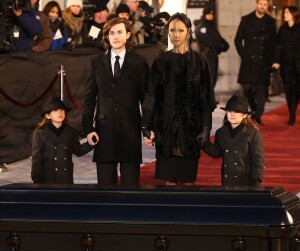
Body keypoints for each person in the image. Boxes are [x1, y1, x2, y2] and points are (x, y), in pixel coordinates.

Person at [142, 12, 216, 186]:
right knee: (169, 182)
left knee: (188, 181)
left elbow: (207, 99)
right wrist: (146, 126)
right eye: (172, 30)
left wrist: (206, 129)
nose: (176, 34)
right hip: (165, 129)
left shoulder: (199, 62)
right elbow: (151, 94)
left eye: (180, 30)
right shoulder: (161, 60)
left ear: (188, 32)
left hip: (191, 131)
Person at [82, 17, 149, 186]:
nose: (116, 36)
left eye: (120, 32)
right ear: (106, 36)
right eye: (112, 33)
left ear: (128, 35)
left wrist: (147, 128)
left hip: (130, 130)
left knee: (131, 188)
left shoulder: (139, 63)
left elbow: (146, 99)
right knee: (105, 189)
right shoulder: (96, 62)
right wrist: (88, 129)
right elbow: (90, 98)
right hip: (104, 132)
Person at [202, 95, 264, 186]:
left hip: (246, 182)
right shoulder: (221, 132)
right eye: (230, 111)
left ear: (245, 115)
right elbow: (217, 152)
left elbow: (258, 160)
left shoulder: (253, 133)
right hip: (227, 181)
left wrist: (256, 182)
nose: (232, 114)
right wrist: (204, 143)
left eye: (237, 111)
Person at [31, 97, 93, 184]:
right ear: (47, 115)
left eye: (62, 110)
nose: (60, 112)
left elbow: (78, 150)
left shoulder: (71, 131)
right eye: (55, 110)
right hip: (48, 180)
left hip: (66, 179)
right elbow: (37, 159)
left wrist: (91, 143)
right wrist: (36, 182)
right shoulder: (40, 133)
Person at [234, 0, 276, 125]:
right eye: (260, 4)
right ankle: (255, 110)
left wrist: (274, 60)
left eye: (265, 5)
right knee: (247, 87)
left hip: (264, 60)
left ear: (267, 6)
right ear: (256, 4)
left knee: (262, 88)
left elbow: (274, 43)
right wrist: (244, 54)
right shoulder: (246, 19)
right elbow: (237, 39)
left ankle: (258, 115)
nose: (262, 6)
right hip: (249, 59)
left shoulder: (271, 22)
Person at [273, 6, 300, 126]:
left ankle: (293, 112)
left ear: (294, 14)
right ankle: (292, 114)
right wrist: (277, 61)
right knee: (289, 90)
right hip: (286, 65)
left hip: (298, 65)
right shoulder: (282, 29)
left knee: (297, 90)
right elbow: (278, 47)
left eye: (287, 12)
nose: (285, 14)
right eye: (284, 12)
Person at [195, 7, 229, 87]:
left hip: (213, 55)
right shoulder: (202, 27)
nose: (210, 16)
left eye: (212, 14)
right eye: (208, 14)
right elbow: (209, 41)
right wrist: (220, 46)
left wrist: (224, 45)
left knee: (212, 78)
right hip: (207, 55)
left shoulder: (212, 26)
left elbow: (219, 38)